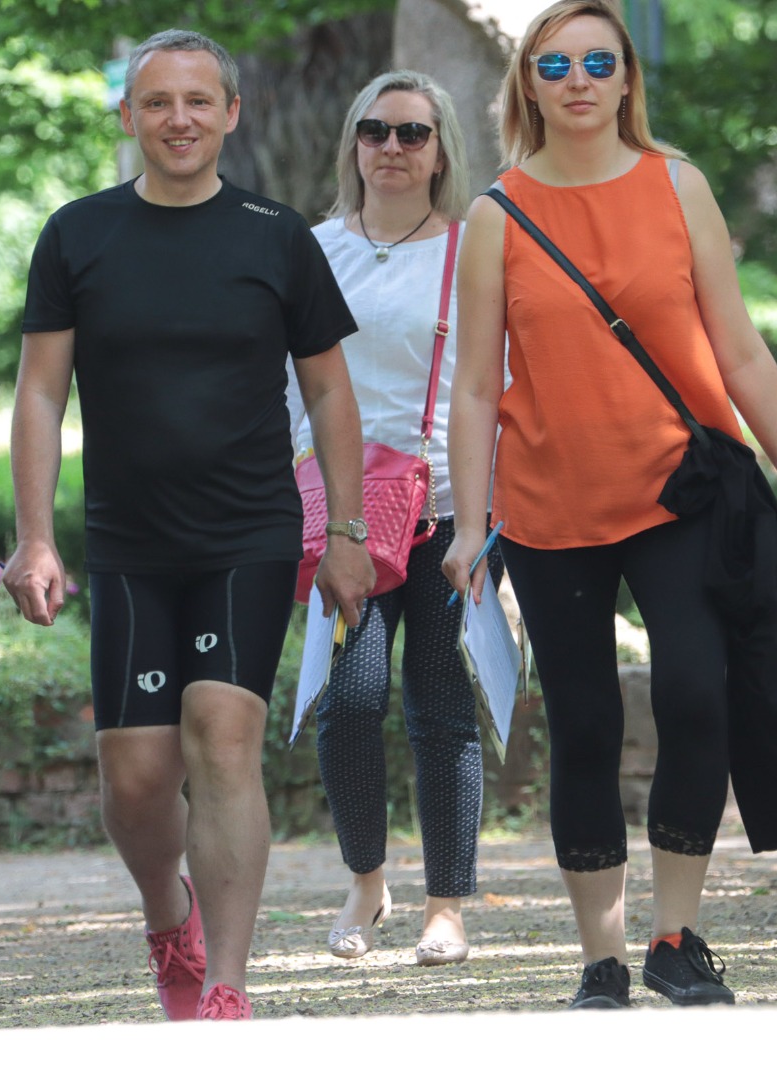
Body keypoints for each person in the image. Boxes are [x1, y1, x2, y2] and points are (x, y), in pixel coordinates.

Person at [444, 1, 777, 1009]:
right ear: (528, 87)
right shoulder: (496, 214)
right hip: (547, 509)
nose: (578, 79)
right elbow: (471, 385)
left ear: (628, 78)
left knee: (696, 693)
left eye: (598, 60)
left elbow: (740, 347)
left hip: (681, 493)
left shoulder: (679, 186)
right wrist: (466, 525)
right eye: (555, 65)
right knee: (582, 723)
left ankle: (677, 936)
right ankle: (602, 960)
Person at [5, 28, 376, 1022]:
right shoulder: (77, 235)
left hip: (247, 534)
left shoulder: (275, 237)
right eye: (158, 102)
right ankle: (167, 912)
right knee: (135, 776)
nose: (179, 120)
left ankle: (227, 983)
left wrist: (345, 531)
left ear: (231, 114)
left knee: (224, 734)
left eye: (198, 102)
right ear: (129, 115)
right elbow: (40, 397)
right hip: (129, 544)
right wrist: (35, 537)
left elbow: (332, 394)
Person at [286, 70, 500, 969]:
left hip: (447, 510)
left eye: (414, 133)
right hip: (339, 517)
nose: (392, 148)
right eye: (375, 130)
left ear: (442, 147)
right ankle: (366, 881)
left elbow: (497, 390)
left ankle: (446, 904)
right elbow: (275, 383)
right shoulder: (309, 249)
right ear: (353, 144)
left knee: (443, 711)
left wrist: (480, 523)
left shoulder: (469, 250)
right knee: (350, 702)